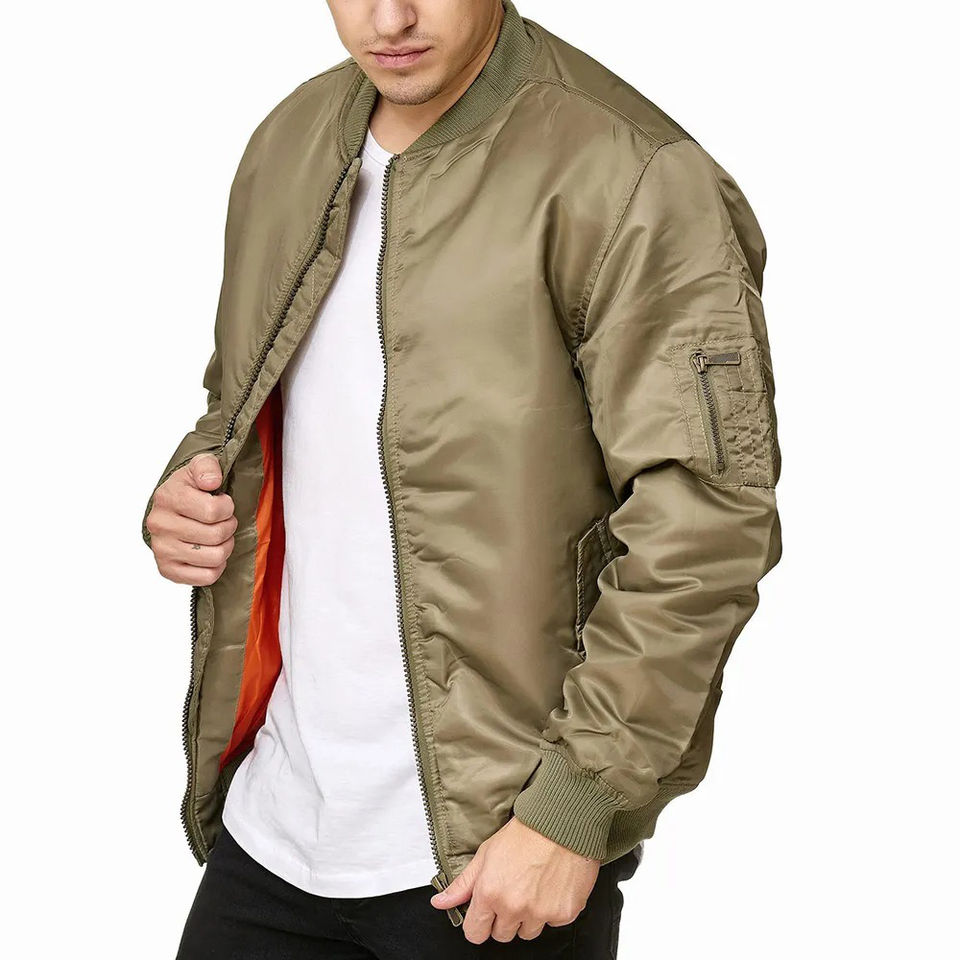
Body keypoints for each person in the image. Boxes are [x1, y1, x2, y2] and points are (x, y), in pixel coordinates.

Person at [142, 1, 783, 956]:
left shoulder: (630, 172)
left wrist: (574, 807)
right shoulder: (292, 140)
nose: (390, 16)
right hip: (275, 829)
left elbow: (707, 520)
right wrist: (191, 493)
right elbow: (246, 406)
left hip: (496, 854)